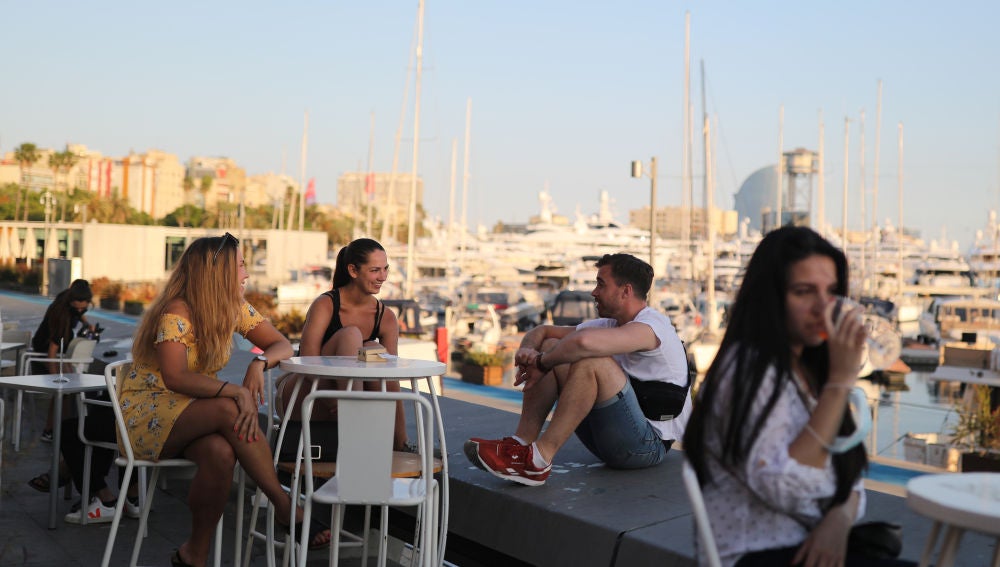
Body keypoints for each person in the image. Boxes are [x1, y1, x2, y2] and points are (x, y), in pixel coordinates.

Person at [682, 226, 915, 567]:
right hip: (754, 554)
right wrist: (840, 381)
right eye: (804, 292)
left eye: (832, 291)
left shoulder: (807, 370)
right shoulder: (747, 371)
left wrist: (840, 518)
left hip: (806, 547)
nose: (823, 308)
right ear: (771, 298)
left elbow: (848, 475)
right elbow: (783, 484)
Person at [119, 233, 327, 567]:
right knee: (232, 407)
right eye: (240, 266)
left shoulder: (232, 308)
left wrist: (259, 363)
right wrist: (236, 390)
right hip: (150, 415)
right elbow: (175, 377)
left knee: (221, 453)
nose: (247, 274)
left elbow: (282, 345)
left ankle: (194, 555)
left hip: (195, 413)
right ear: (217, 273)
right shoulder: (177, 311)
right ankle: (285, 506)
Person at [465, 253, 691, 486]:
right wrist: (528, 353)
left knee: (591, 362)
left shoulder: (651, 327)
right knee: (551, 345)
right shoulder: (612, 324)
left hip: (646, 446)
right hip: (610, 436)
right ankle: (521, 444)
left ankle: (537, 462)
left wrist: (541, 363)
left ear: (626, 291)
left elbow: (584, 343)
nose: (594, 292)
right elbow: (542, 332)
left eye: (601, 284)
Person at [276, 238, 410, 457]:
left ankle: (399, 445)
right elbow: (307, 364)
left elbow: (390, 381)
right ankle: (354, 413)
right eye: (375, 270)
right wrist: (336, 403)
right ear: (353, 271)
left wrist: (401, 440)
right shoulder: (326, 304)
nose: (383, 277)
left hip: (347, 405)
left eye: (385, 269)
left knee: (374, 350)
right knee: (351, 335)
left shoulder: (385, 317)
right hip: (306, 395)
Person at [31, 279, 98, 442]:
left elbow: (79, 312)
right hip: (45, 347)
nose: (80, 310)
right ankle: (50, 430)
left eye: (84, 308)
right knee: (64, 388)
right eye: (77, 308)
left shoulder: (69, 298)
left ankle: (62, 429)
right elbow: (51, 352)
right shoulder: (61, 317)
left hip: (57, 348)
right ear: (71, 301)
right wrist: (56, 378)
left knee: (70, 386)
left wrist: (87, 323)